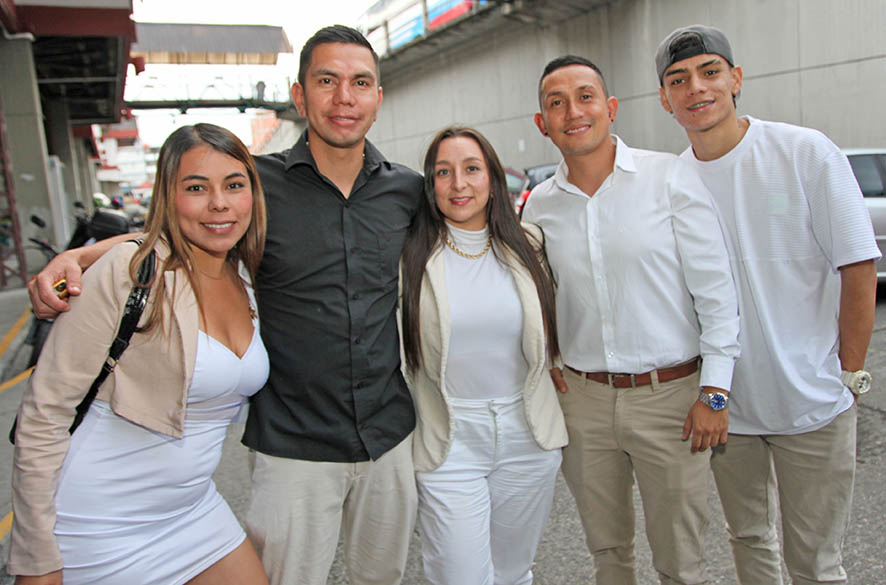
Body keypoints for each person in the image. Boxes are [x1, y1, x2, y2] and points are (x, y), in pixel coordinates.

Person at [27, 26, 422, 585]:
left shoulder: (407, 191)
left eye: (361, 83)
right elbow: (174, 233)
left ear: (379, 97)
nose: (344, 97)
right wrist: (82, 256)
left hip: (388, 435)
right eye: (327, 80)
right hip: (294, 445)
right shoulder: (252, 186)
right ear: (299, 94)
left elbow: (472, 232)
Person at [655, 24, 879, 585]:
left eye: (710, 72)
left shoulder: (804, 151)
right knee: (750, 541)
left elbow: (857, 266)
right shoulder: (672, 180)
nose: (696, 88)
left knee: (816, 563)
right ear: (665, 99)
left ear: (736, 78)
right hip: (729, 407)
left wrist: (849, 373)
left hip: (815, 402)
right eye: (678, 80)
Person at [9, 123, 270, 585]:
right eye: (196, 187)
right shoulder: (130, 274)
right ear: (168, 197)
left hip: (193, 511)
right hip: (99, 525)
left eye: (234, 185)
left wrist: (86, 253)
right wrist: (36, 556)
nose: (219, 203)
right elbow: (44, 413)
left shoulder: (247, 272)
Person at [522, 55, 740, 585]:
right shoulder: (539, 208)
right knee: (608, 554)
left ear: (610, 108)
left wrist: (715, 395)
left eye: (585, 96)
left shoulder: (670, 178)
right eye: (556, 102)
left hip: (672, 400)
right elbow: (537, 301)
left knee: (681, 563)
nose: (573, 111)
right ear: (542, 122)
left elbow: (717, 296)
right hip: (585, 404)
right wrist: (548, 360)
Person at [399, 126, 567, 585]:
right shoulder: (410, 257)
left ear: (491, 178)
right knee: (460, 576)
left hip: (526, 433)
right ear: (429, 186)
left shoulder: (529, 245)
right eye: (443, 173)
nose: (459, 184)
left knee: (513, 572)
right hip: (450, 435)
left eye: (471, 169)